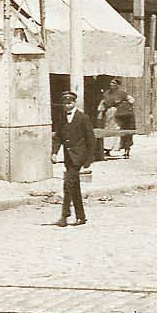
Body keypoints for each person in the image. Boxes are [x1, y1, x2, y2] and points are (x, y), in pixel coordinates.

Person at [52, 90, 97, 226]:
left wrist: (89, 159)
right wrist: (54, 152)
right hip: (68, 157)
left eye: (69, 103)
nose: (67, 106)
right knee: (74, 187)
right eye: (65, 103)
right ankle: (81, 216)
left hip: (79, 156)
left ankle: (64, 215)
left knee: (68, 184)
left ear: (74, 103)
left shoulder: (83, 118)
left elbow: (91, 139)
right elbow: (58, 137)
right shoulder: (61, 118)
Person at [112, 80, 136, 159]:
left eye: (114, 83)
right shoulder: (108, 93)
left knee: (128, 132)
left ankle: (127, 150)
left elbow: (132, 100)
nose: (111, 84)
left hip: (127, 116)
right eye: (111, 83)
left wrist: (122, 103)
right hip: (117, 116)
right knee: (118, 132)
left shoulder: (123, 94)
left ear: (118, 85)